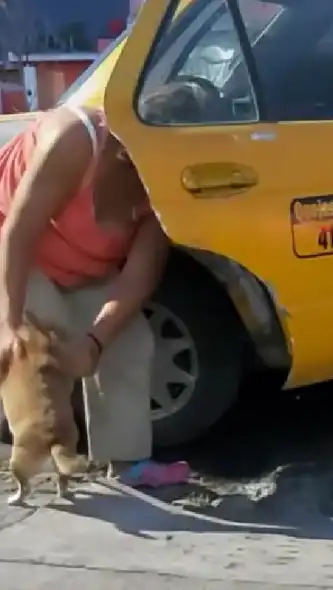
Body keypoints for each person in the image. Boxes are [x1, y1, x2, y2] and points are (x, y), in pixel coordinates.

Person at [0, 81, 213, 487]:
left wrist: (94, 344)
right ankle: (42, 468)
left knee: (131, 343)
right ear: (125, 149)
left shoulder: (167, 189)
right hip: (11, 247)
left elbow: (138, 276)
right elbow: (17, 232)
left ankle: (127, 464)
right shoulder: (74, 141)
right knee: (38, 341)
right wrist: (8, 324)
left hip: (82, 265)